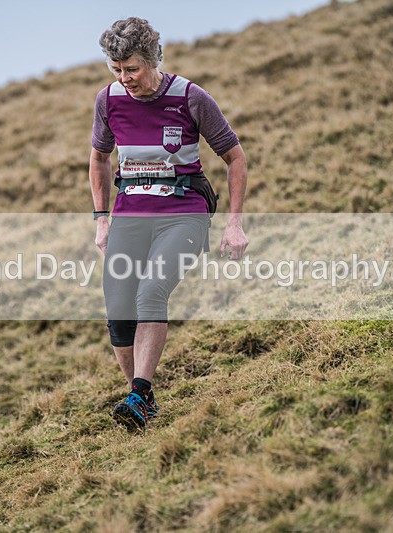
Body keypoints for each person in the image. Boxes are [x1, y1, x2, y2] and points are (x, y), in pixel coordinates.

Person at [89, 17, 248, 430]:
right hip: (130, 213)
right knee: (118, 311)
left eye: (132, 69)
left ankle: (139, 394)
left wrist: (234, 224)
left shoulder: (191, 97)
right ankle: (141, 398)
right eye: (116, 69)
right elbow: (99, 158)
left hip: (184, 211)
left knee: (152, 290)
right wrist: (101, 219)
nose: (124, 78)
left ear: (153, 59)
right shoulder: (108, 100)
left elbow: (235, 158)